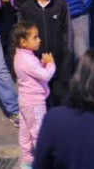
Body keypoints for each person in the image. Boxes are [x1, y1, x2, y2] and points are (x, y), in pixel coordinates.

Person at [18, 0, 71, 105]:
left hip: (57, 63)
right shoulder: (26, 8)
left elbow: (67, 35)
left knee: (60, 102)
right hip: (37, 66)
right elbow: (21, 38)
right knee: (42, 104)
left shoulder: (60, 4)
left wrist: (66, 63)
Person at [13, 22, 56, 169]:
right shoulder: (27, 60)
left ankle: (26, 160)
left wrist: (42, 63)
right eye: (35, 37)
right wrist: (50, 64)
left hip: (25, 100)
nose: (39, 40)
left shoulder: (21, 56)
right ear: (23, 42)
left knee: (25, 132)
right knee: (39, 133)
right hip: (35, 102)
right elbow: (46, 76)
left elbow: (34, 73)